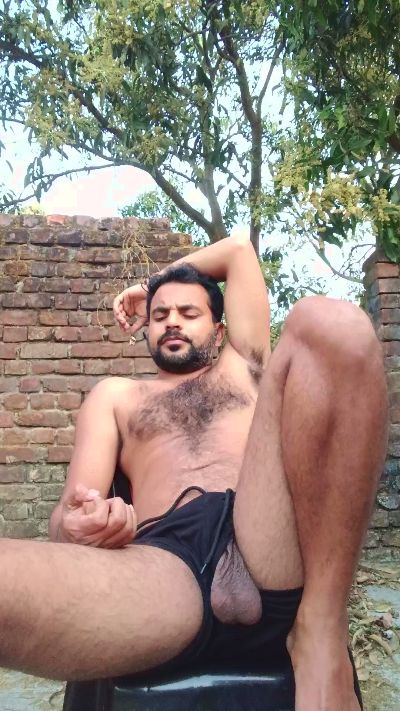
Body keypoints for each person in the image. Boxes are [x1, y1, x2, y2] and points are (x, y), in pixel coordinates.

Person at [0, 236, 387, 711]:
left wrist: (152, 285)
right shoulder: (116, 395)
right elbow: (66, 516)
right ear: (146, 333)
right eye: (159, 315)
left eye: (188, 312)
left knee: (333, 322)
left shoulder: (245, 366)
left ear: (219, 331)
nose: (171, 322)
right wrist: (82, 524)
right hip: (164, 565)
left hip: (267, 539)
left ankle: (321, 630)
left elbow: (238, 252)